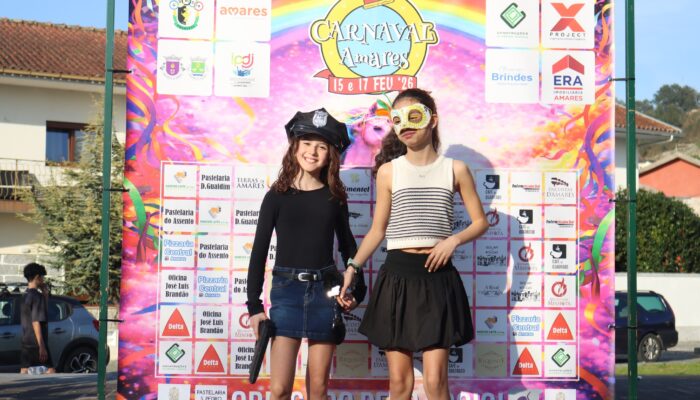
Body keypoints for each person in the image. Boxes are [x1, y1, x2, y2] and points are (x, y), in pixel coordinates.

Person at [338, 88, 489, 400]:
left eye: (414, 116)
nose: (405, 125)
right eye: (398, 119)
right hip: (397, 279)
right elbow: (378, 230)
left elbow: (480, 222)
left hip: (438, 278)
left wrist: (453, 241)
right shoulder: (388, 171)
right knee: (400, 384)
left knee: (436, 383)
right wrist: (353, 267)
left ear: (432, 120)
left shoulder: (456, 169)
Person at [246, 108, 366, 400]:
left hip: (325, 293)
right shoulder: (276, 196)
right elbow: (259, 252)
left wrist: (358, 291)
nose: (312, 152)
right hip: (286, 293)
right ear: (294, 146)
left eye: (321, 146)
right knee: (279, 390)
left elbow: (348, 247)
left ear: (330, 154)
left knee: (319, 390)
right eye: (307, 143)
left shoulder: (334, 198)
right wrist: (254, 307)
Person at [20, 262, 56, 374]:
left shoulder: (25, 295)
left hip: (26, 340)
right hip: (37, 342)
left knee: (24, 370)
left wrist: (45, 294)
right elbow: (36, 322)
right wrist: (42, 346)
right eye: (42, 276)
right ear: (37, 277)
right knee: (51, 370)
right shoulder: (37, 296)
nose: (43, 279)